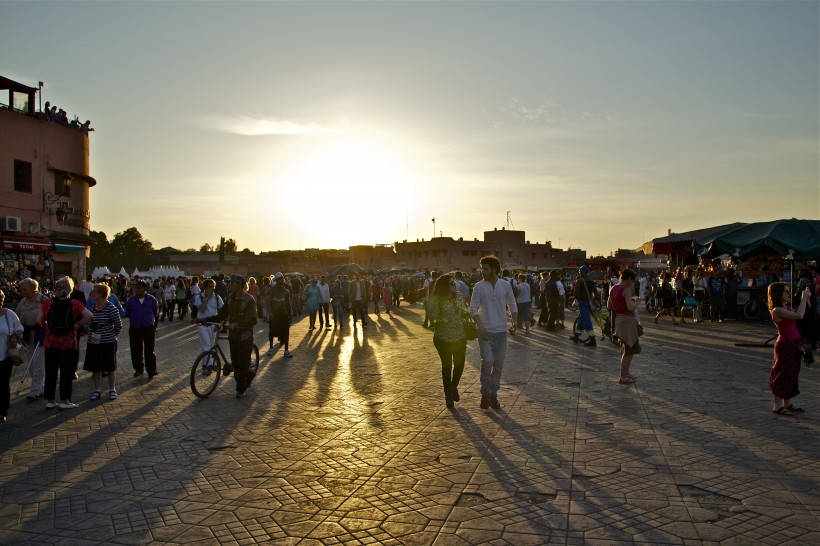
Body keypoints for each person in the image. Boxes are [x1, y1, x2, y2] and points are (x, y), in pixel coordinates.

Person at [37, 277, 93, 410]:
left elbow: (39, 319)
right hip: (69, 343)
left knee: (51, 372)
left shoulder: (48, 303)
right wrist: (77, 324)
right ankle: (65, 400)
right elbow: (89, 316)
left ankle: (50, 400)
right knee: (66, 373)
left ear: (56, 289)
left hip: (51, 342)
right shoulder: (75, 304)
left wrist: (48, 328)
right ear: (70, 289)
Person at [470, 256, 518, 410]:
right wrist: (481, 327)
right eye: (482, 268)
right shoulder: (478, 286)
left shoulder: (505, 285)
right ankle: (484, 393)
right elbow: (473, 308)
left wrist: (515, 322)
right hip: (484, 331)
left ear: (495, 270)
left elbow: (512, 304)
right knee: (488, 361)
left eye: (486, 269)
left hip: (501, 331)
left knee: (498, 364)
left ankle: (493, 395)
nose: (483, 271)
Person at [768, 283, 813, 415]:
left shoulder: (786, 308)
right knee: (782, 374)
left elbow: (803, 312)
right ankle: (777, 406)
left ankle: (786, 404)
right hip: (784, 346)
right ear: (778, 294)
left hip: (794, 345)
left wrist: (807, 298)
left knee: (792, 374)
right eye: (786, 292)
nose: (789, 294)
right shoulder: (777, 310)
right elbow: (799, 315)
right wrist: (804, 298)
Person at [429, 274, 467, 408]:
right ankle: (448, 395)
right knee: (447, 366)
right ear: (444, 286)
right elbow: (431, 321)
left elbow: (464, 311)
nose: (454, 285)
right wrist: (442, 321)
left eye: (454, 282)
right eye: (451, 283)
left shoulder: (458, 296)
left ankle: (453, 386)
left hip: (460, 337)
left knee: (459, 365)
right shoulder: (436, 300)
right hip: (443, 339)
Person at [84, 283, 123, 401]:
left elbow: (118, 325)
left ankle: (112, 389)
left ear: (101, 294)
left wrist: (112, 335)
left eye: (94, 292)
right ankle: (97, 389)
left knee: (110, 366)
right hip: (94, 341)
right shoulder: (92, 308)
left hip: (108, 341)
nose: (92, 294)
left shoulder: (111, 308)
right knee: (96, 367)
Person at [224, 275, 258, 398]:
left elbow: (253, 320)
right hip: (233, 336)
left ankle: (241, 388)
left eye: (234, 283)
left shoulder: (249, 300)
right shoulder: (229, 298)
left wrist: (237, 324)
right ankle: (249, 375)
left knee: (243, 363)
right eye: (231, 283)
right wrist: (204, 319)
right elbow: (223, 313)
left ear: (240, 285)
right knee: (235, 363)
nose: (231, 285)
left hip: (245, 336)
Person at [608, 268, 641, 384]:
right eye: (632, 281)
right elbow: (630, 307)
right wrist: (637, 301)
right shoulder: (626, 289)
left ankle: (627, 373)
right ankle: (623, 376)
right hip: (627, 321)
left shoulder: (612, 289)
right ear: (629, 279)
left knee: (627, 349)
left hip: (618, 320)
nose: (632, 283)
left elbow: (609, 306)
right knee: (628, 350)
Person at [16, 278, 46, 402]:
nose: (22, 291)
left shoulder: (43, 300)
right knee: (31, 364)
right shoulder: (22, 302)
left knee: (39, 363)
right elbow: (17, 318)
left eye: (24, 289)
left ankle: (34, 391)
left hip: (40, 334)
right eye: (21, 289)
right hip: (27, 335)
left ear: (33, 288)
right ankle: (40, 387)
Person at [125, 280, 160, 379]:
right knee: (136, 349)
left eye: (139, 288)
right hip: (135, 327)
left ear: (145, 289)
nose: (136, 290)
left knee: (150, 349)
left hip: (148, 327)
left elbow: (155, 312)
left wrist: (151, 322)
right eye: (135, 288)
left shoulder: (152, 300)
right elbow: (127, 312)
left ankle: (151, 369)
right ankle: (138, 369)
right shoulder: (131, 300)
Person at [0, 291, 24, 423]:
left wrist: (14, 336)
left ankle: (2, 410)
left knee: (3, 384)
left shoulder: (9, 314)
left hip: (5, 355)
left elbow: (20, 328)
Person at [194, 279, 224, 374]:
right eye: (209, 287)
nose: (211, 289)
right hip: (202, 324)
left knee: (211, 345)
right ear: (205, 287)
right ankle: (209, 365)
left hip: (213, 324)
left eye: (213, 287)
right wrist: (206, 299)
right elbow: (202, 310)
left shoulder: (217, 297)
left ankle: (205, 363)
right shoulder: (199, 297)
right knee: (206, 344)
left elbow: (222, 311)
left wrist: (220, 324)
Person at [571, 266, 599, 346]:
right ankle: (576, 336)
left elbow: (575, 293)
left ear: (582, 272)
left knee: (586, 320)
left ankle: (592, 339)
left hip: (582, 302)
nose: (579, 272)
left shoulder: (580, 281)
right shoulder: (591, 281)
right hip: (589, 302)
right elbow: (596, 293)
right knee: (581, 319)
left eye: (580, 271)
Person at [266, 273, 293, 357]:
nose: (282, 281)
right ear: (277, 280)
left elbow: (288, 304)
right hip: (274, 315)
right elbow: (268, 303)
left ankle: (286, 350)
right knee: (272, 332)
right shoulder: (272, 291)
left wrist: (290, 314)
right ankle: (270, 348)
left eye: (282, 279)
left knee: (286, 333)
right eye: (280, 279)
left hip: (284, 315)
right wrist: (270, 313)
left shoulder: (286, 291)